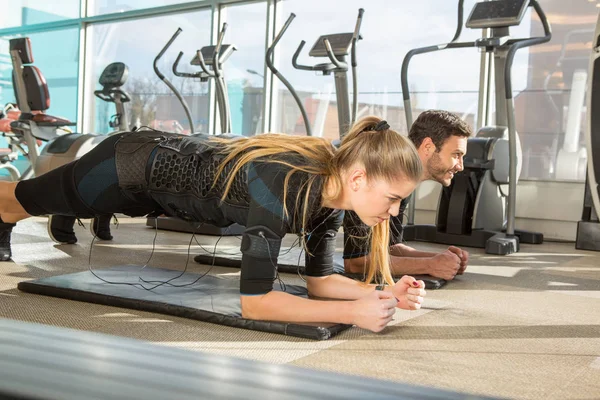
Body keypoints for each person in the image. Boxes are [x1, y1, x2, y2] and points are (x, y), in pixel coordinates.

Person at [0, 116, 426, 333]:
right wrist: (354, 312)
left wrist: (381, 291)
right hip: (127, 167)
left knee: (52, 202)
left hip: (151, 191)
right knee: (21, 199)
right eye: (392, 199)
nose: (392, 213)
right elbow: (256, 303)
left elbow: (319, 283)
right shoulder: (281, 186)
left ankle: (59, 211)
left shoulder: (330, 200)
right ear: (358, 178)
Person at [344, 110, 472, 281]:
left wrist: (441, 259)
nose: (461, 166)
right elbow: (355, 263)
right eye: (456, 155)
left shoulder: (405, 181)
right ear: (428, 146)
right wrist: (430, 265)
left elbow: (390, 247)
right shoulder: (380, 176)